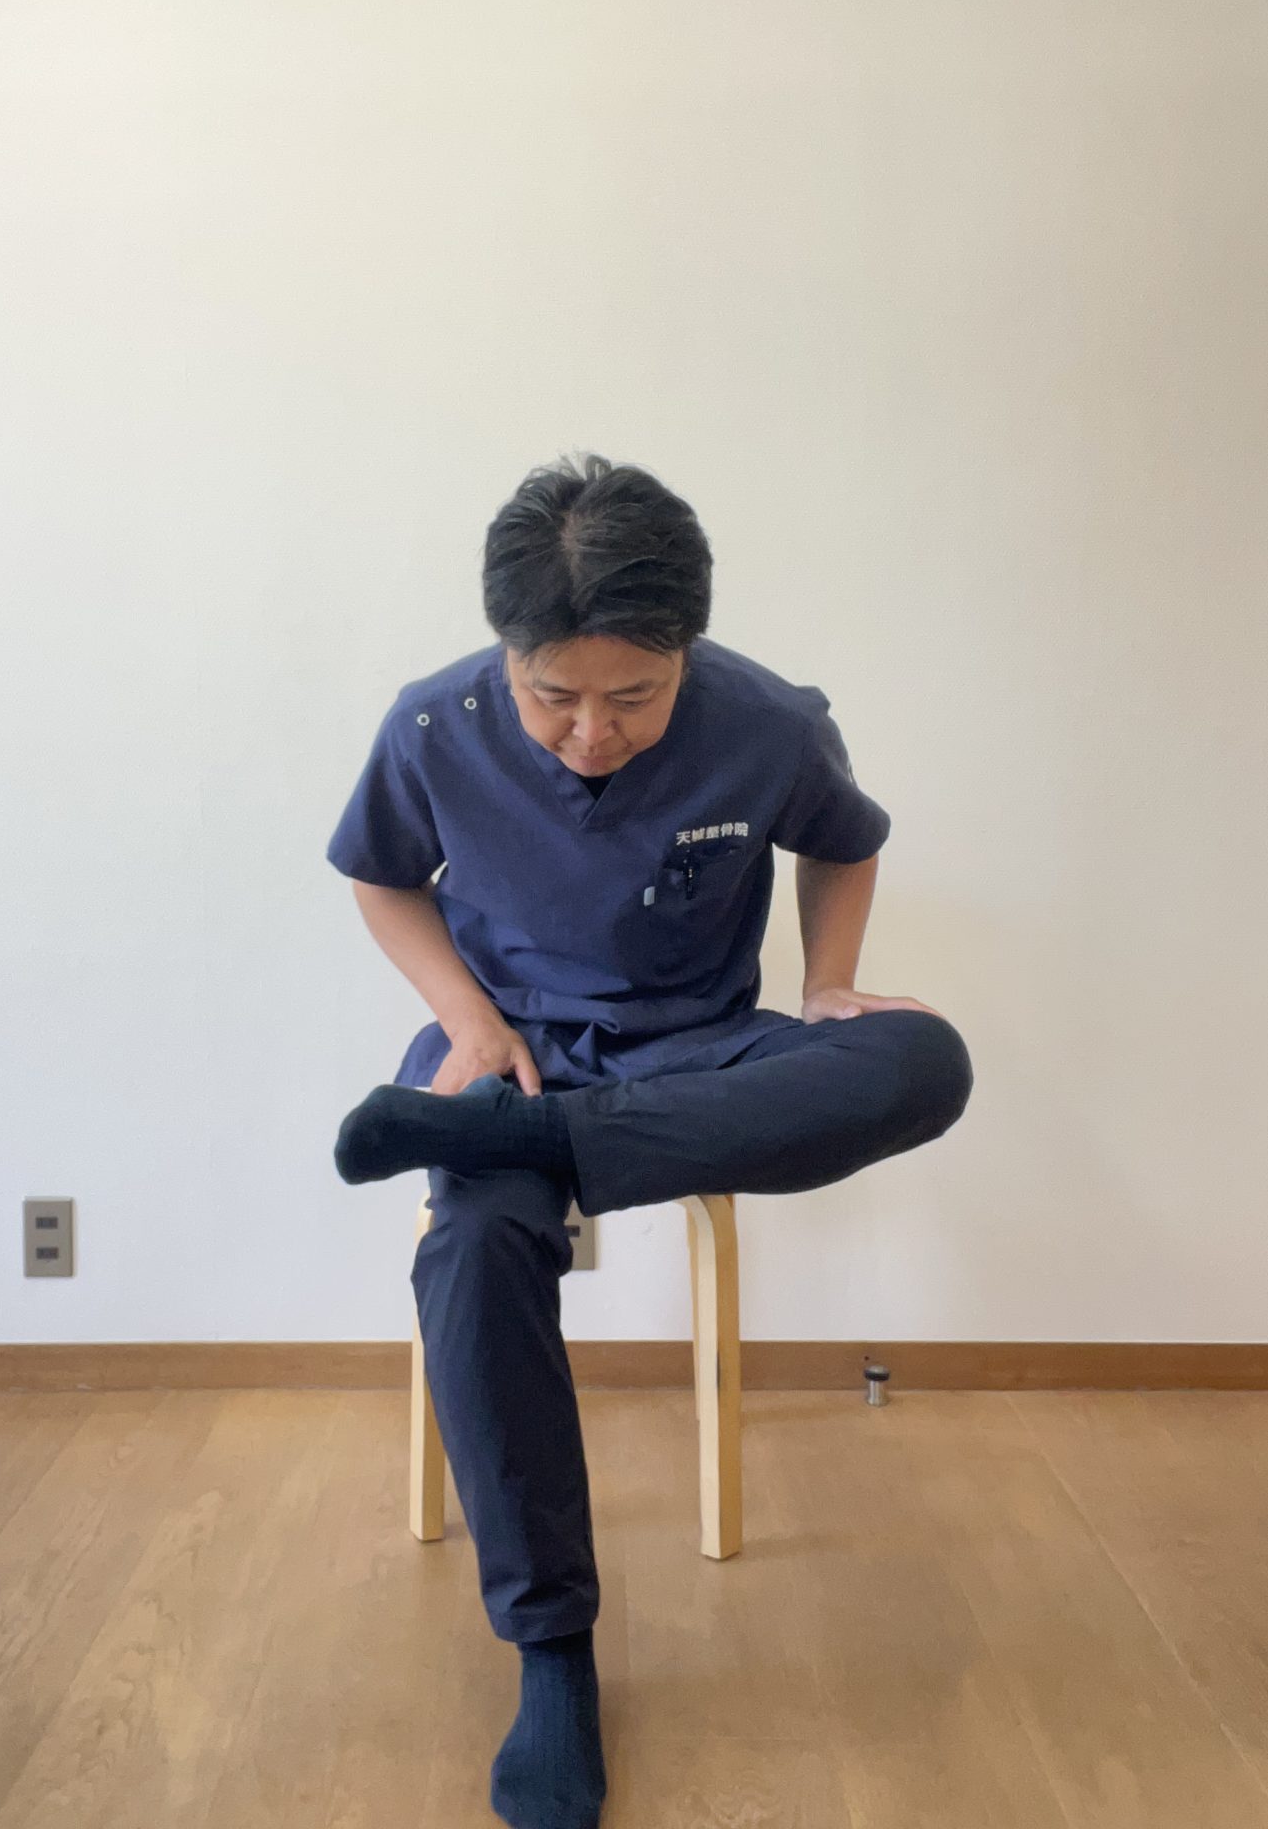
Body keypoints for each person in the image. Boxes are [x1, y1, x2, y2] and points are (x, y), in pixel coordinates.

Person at [325, 451, 974, 1829]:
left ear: (687, 653)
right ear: (506, 655)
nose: (588, 734)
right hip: (505, 1053)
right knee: (472, 1252)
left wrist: (831, 984)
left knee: (923, 1060)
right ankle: (552, 1657)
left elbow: (843, 843)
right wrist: (464, 1019)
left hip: (695, 1053)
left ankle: (551, 1144)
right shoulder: (433, 725)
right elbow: (382, 879)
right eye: (552, 696)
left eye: (633, 698)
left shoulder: (768, 720)